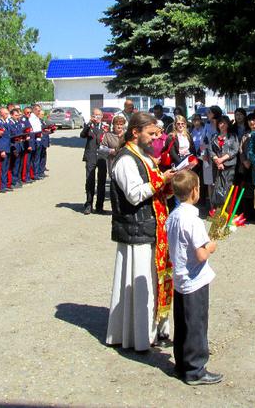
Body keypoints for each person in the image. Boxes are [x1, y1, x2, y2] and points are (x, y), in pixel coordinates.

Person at [106, 112, 175, 351]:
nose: (155, 138)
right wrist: (160, 180)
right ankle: (140, 335)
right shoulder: (126, 159)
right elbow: (134, 195)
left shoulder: (145, 156)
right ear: (135, 132)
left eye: (157, 134)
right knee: (141, 284)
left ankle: (156, 330)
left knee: (155, 281)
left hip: (152, 226)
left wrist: (168, 186)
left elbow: (152, 191)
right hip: (136, 229)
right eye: (151, 133)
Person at [166, 170, 222, 385]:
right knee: (197, 325)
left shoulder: (173, 216)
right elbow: (200, 254)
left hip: (180, 278)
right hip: (194, 279)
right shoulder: (193, 220)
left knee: (182, 324)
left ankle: (181, 364)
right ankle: (195, 370)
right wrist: (212, 247)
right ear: (195, 191)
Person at [209, 116, 239, 210]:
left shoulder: (233, 136)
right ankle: (218, 212)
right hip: (217, 166)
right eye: (220, 123)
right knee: (217, 188)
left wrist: (222, 160)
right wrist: (217, 161)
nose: (222, 125)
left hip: (229, 166)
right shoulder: (214, 136)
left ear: (228, 124)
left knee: (228, 189)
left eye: (225, 123)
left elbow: (235, 150)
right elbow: (210, 150)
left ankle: (228, 212)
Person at [81, 108, 107, 214]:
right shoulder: (89, 126)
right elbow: (82, 135)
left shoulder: (106, 127)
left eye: (99, 115)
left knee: (101, 182)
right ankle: (88, 204)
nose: (97, 117)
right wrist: (89, 123)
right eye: (95, 115)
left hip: (102, 157)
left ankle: (99, 206)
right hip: (90, 156)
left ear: (102, 116)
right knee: (90, 181)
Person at [0, 107, 12, 193]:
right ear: (1, 113)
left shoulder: (6, 121)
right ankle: (0, 186)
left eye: (7, 114)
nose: (7, 115)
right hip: (3, 148)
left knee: (5, 168)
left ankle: (4, 184)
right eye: (5, 114)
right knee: (1, 168)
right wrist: (1, 150)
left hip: (7, 147)